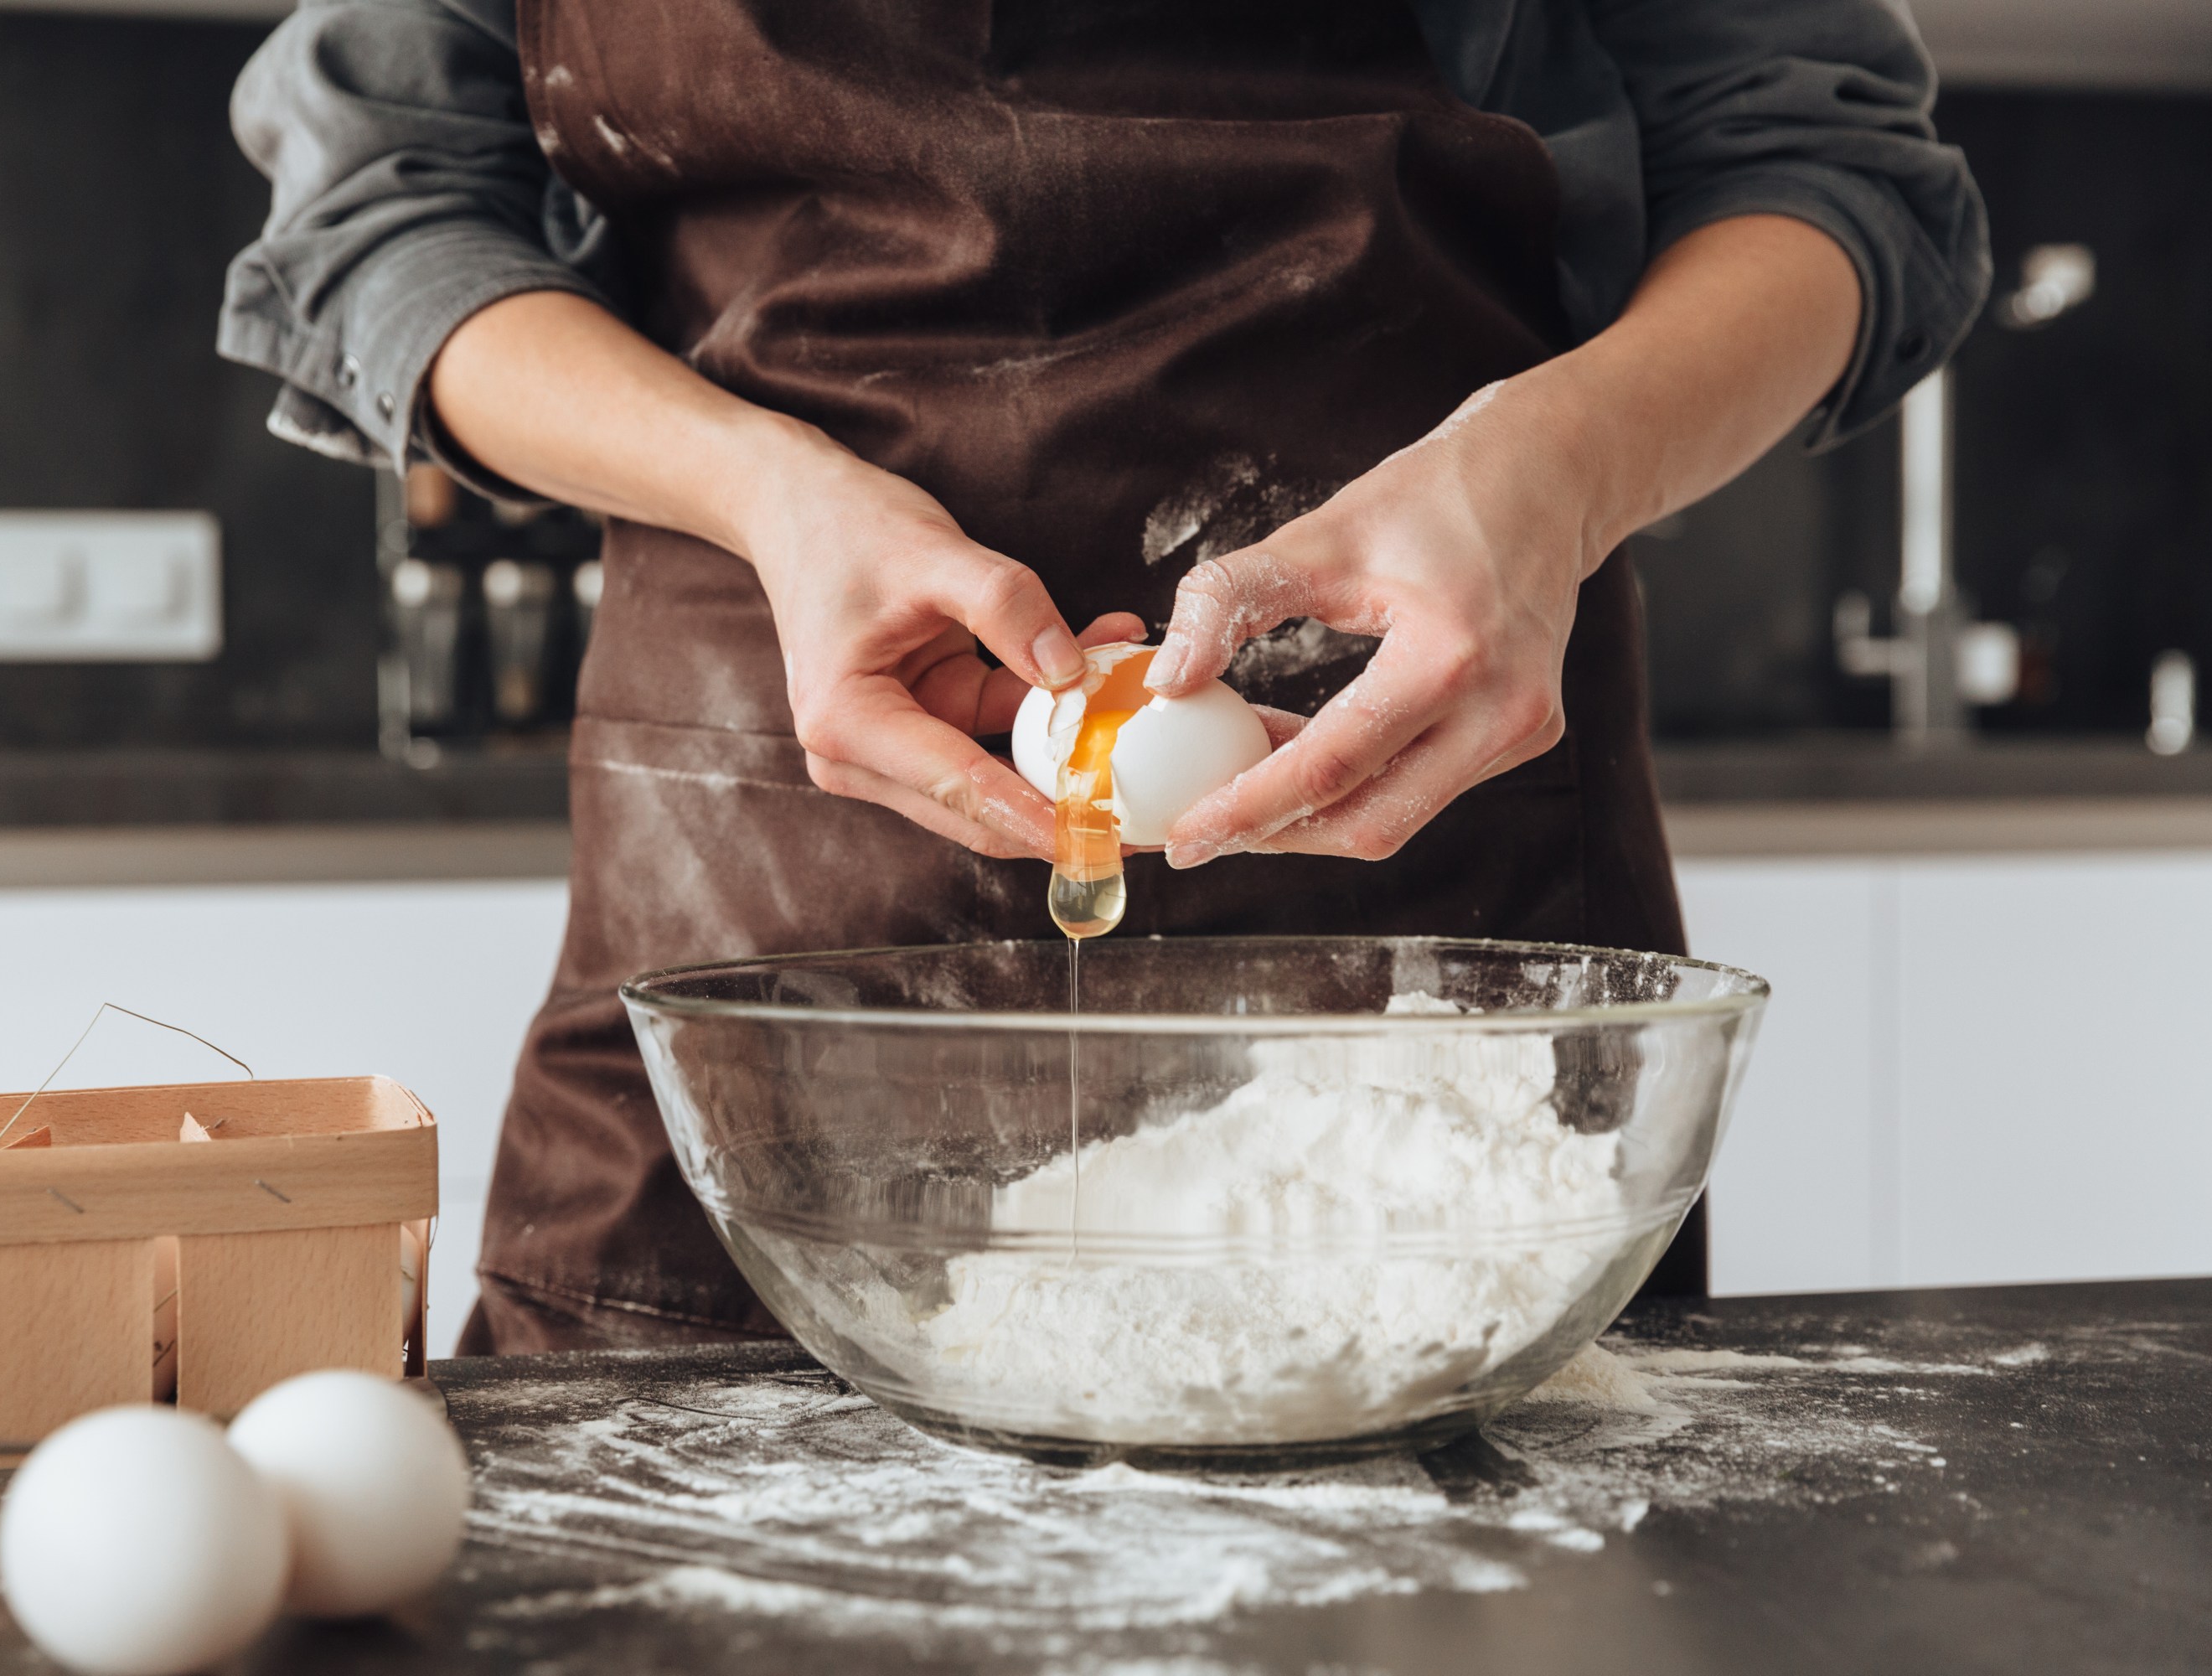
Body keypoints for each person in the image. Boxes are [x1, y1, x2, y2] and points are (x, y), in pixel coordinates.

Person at [220, 1, 1987, 1352]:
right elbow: (387, 213)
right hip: (759, 909)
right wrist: (764, 488)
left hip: (1435, 938)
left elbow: (1824, 171)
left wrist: (1566, 464)